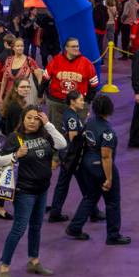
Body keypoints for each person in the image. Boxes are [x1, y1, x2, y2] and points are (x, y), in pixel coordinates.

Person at [0, 106, 68, 277]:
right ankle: (3, 268)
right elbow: (0, 160)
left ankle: (33, 261)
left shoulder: (45, 135)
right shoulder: (15, 138)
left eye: (36, 118)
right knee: (19, 229)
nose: (32, 121)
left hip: (42, 189)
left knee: (36, 226)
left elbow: (62, 144)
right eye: (29, 118)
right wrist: (15, 155)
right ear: (23, 119)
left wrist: (49, 124)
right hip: (24, 192)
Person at [65, 94, 130, 245]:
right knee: (112, 201)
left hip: (87, 165)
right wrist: (109, 178)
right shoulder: (108, 132)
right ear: (110, 110)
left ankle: (75, 227)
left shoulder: (90, 122)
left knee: (91, 196)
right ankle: (113, 235)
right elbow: (106, 157)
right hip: (101, 167)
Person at [47, 90, 103, 223]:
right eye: (80, 100)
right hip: (73, 156)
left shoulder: (71, 114)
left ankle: (55, 212)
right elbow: (73, 138)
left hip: (67, 155)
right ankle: (92, 211)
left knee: (63, 184)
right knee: (86, 184)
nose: (83, 102)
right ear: (72, 101)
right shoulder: (72, 117)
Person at [43, 37, 99, 128]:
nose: (76, 48)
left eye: (77, 46)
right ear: (66, 48)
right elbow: (45, 78)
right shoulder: (56, 60)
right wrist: (45, 94)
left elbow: (94, 84)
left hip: (77, 104)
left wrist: (87, 100)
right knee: (56, 130)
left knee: (77, 131)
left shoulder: (87, 63)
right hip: (57, 102)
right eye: (73, 46)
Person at [0, 38, 42, 107]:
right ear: (13, 48)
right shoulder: (8, 60)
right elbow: (4, 80)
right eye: (18, 46)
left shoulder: (29, 61)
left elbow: (40, 78)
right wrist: (0, 97)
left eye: (22, 46)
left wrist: (40, 94)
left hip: (26, 97)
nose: (20, 48)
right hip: (11, 96)